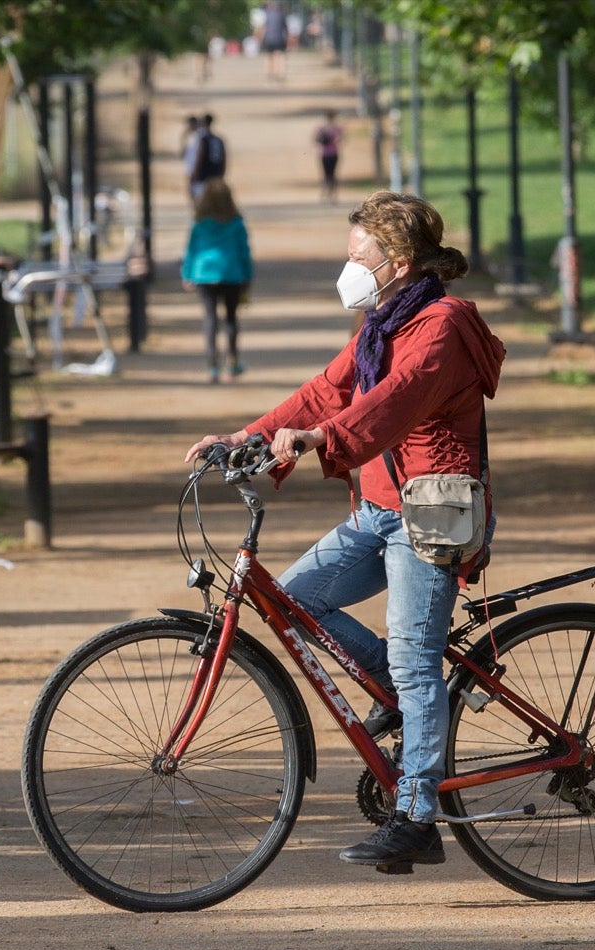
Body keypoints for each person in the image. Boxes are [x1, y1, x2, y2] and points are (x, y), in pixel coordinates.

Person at [183, 191, 506, 871]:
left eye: (357, 254)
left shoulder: (439, 325)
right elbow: (327, 389)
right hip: (381, 509)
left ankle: (418, 815)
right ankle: (403, 699)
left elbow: (389, 406)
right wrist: (249, 435)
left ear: (396, 261)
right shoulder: (383, 323)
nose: (348, 266)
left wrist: (317, 440)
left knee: (417, 659)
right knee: (292, 600)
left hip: (432, 515)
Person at [181, 178, 253, 383]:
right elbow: (244, 251)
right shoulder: (237, 223)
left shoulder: (199, 224)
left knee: (210, 318)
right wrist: (247, 274)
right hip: (231, 273)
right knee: (231, 318)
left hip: (203, 274)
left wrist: (186, 274)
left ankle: (212, 366)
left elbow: (191, 251)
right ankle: (232, 363)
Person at [187, 113, 226, 202]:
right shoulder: (219, 140)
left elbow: (199, 160)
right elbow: (224, 160)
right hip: (216, 178)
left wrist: (193, 179)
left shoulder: (203, 140)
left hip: (203, 179)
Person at [314, 109, 344, 203]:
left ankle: (329, 193)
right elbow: (316, 139)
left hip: (329, 153)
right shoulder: (332, 128)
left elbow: (315, 139)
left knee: (329, 174)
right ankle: (329, 193)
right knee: (329, 174)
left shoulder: (324, 128)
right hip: (329, 153)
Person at [260, 1, 288, 81]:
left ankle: (269, 73)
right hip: (279, 38)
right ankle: (279, 73)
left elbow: (264, 28)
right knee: (279, 56)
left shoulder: (267, 15)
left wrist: (262, 39)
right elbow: (286, 29)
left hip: (269, 38)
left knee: (269, 56)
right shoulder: (281, 15)